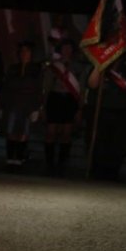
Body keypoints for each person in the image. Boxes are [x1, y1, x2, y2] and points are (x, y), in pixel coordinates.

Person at [85, 57, 126, 181]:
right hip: (100, 112)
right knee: (98, 142)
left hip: (122, 112)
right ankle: (96, 171)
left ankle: (112, 172)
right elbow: (92, 84)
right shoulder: (99, 69)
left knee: (117, 144)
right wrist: (99, 66)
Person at [42, 39, 84, 176]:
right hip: (55, 99)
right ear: (60, 49)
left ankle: (62, 164)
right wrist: (43, 105)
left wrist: (79, 108)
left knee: (66, 133)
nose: (67, 50)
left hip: (70, 100)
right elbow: (46, 86)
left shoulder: (77, 67)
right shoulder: (54, 66)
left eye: (69, 47)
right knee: (51, 132)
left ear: (72, 50)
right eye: (65, 47)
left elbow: (81, 88)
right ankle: (49, 163)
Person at [2, 41, 44, 172]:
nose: (24, 54)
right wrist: (3, 105)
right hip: (13, 104)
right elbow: (6, 87)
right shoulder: (13, 68)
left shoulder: (37, 70)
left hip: (29, 104)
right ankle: (10, 159)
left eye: (27, 51)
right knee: (11, 132)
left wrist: (38, 108)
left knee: (24, 133)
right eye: (22, 51)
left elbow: (40, 89)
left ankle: (19, 159)